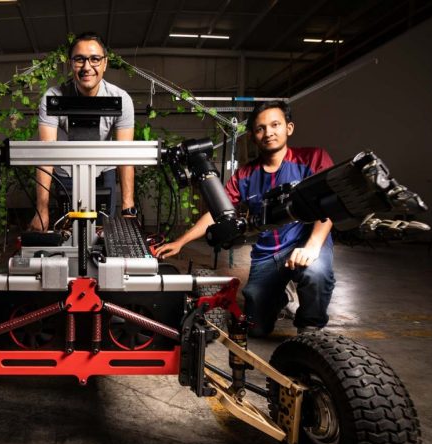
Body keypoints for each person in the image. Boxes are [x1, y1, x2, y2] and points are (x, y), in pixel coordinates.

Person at [155, 101, 335, 337]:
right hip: (267, 254)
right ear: (253, 136)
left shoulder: (312, 158)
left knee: (316, 273)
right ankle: (278, 296)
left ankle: (310, 328)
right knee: (256, 329)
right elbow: (216, 212)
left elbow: (330, 200)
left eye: (275, 125)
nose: (268, 133)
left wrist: (312, 246)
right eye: (260, 128)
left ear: (289, 128)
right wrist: (181, 241)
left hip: (305, 244)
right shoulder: (245, 174)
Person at [29, 31, 137, 231]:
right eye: (80, 59)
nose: (87, 67)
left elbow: (126, 156)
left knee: (104, 234)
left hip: (104, 175)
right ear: (71, 63)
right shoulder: (53, 98)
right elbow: (45, 155)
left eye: (95, 59)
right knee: (67, 234)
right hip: (66, 176)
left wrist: (128, 208)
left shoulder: (121, 100)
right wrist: (41, 210)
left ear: (105, 63)